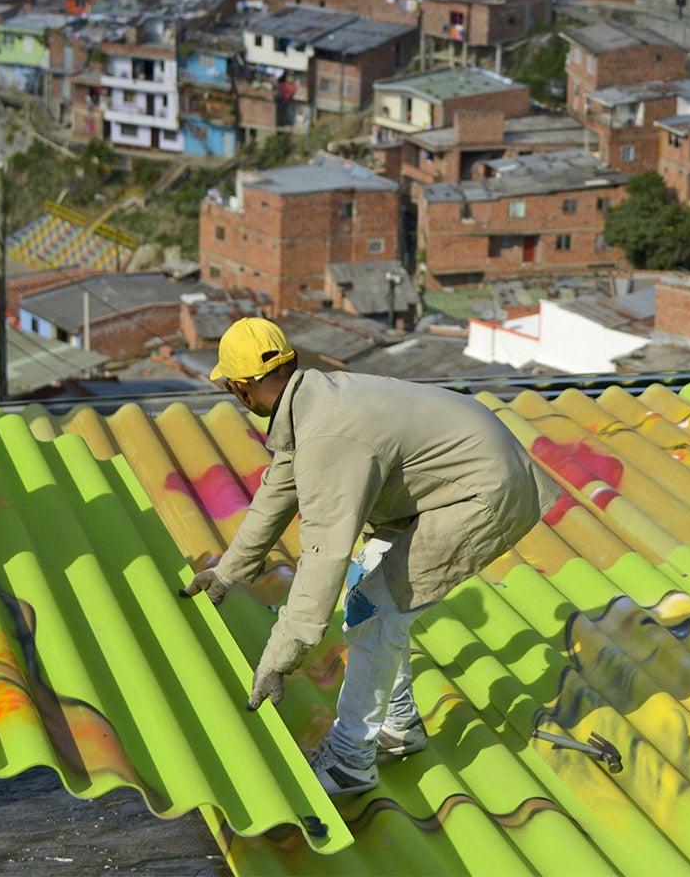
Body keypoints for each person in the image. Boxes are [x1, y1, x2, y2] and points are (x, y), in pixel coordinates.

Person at [185, 317, 558, 796]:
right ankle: (398, 723)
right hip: (463, 478)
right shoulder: (313, 402)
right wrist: (229, 572)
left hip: (483, 493)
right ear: (292, 361)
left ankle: (349, 761)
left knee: (377, 606)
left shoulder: (328, 437)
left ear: (239, 389)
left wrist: (279, 657)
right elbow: (277, 493)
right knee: (369, 589)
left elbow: (323, 556)